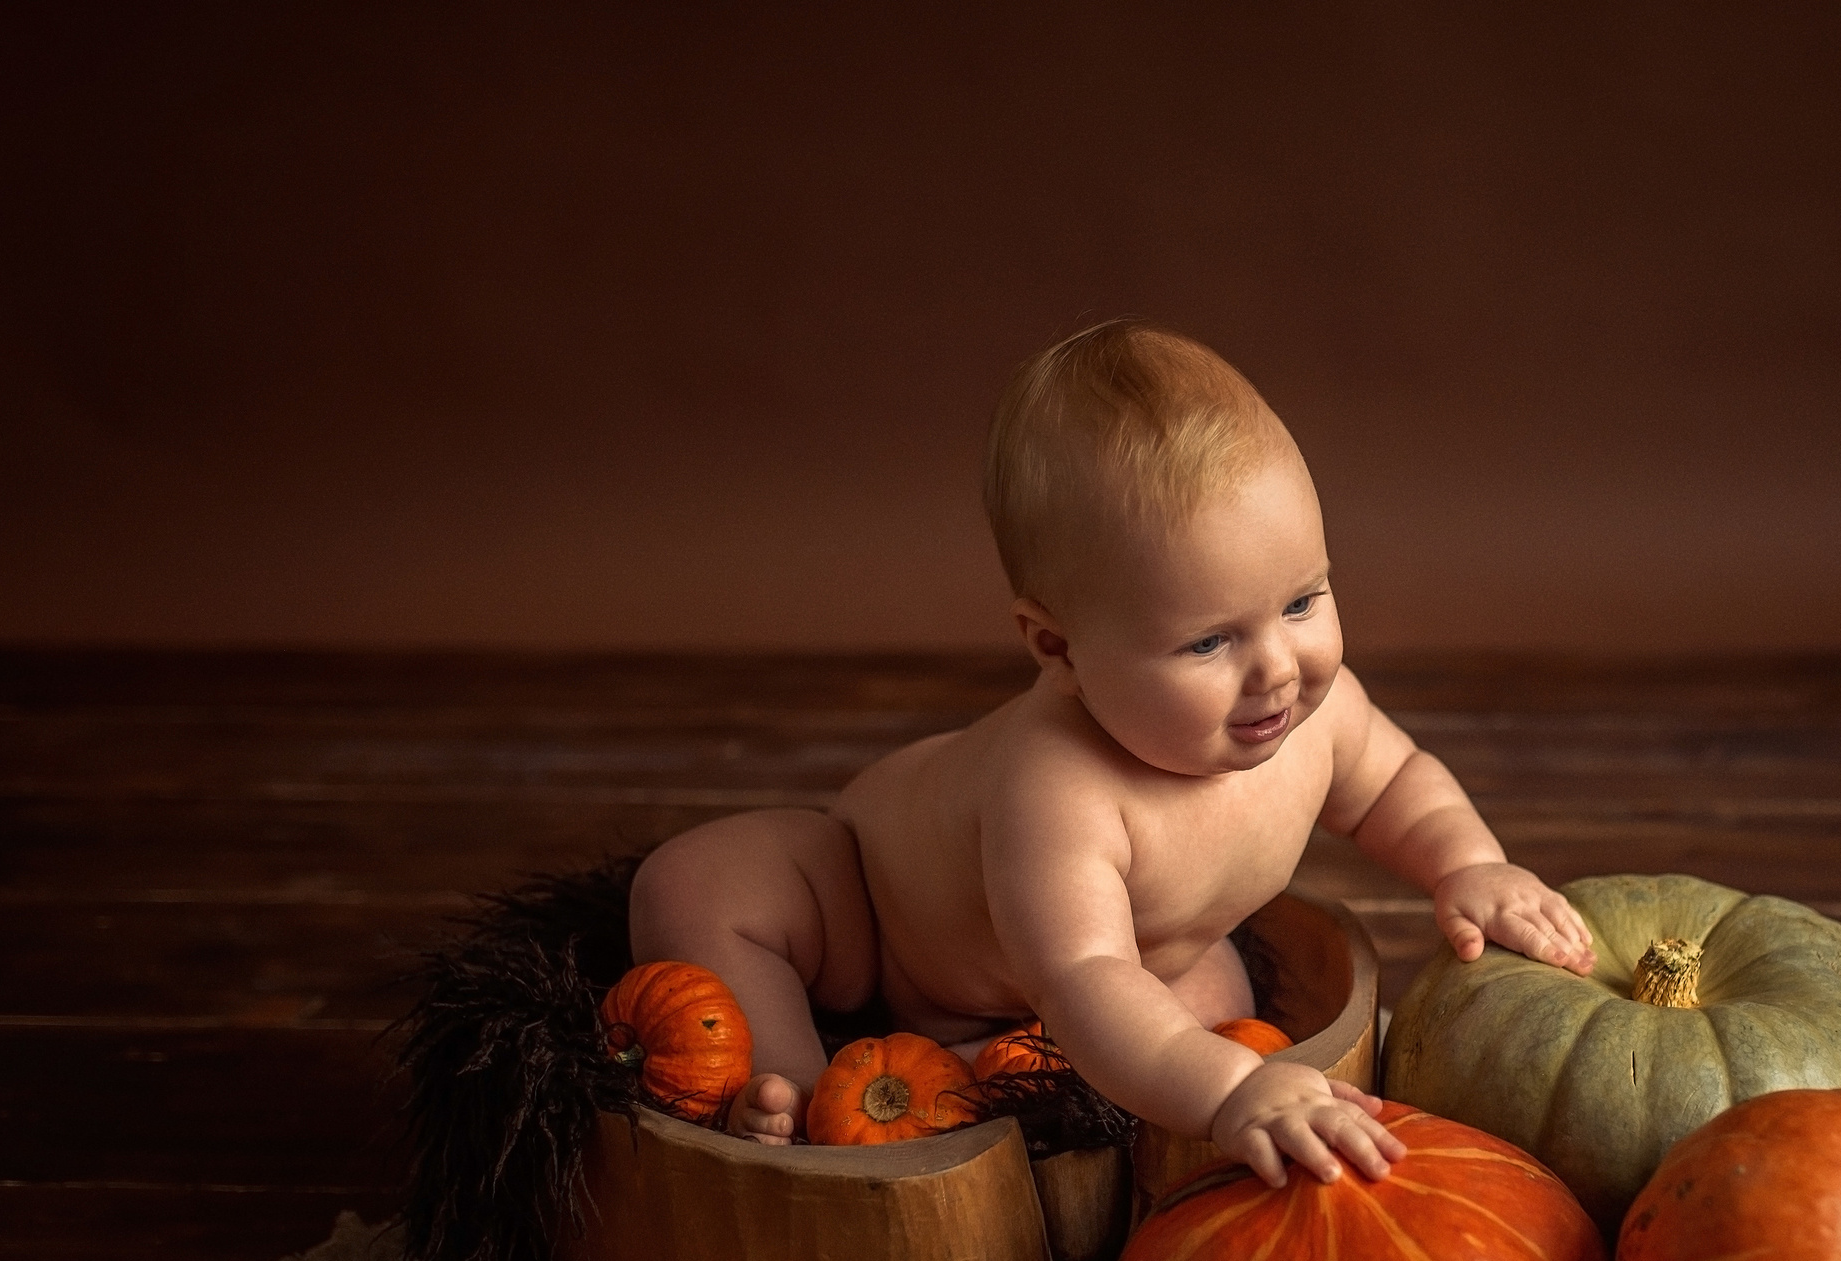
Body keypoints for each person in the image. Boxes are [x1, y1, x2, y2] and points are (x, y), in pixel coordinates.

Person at [630, 320, 1594, 1187]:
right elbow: (1084, 976)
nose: (1278, 671)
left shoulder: (1318, 706)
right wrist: (1225, 1092)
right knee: (697, 883)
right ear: (1058, 651)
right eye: (1208, 642)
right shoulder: (1058, 788)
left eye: (1302, 601)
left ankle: (980, 1084)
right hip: (881, 921)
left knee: (1215, 998)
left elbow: (1394, 783)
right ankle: (796, 1077)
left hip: (1117, 979)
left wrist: (1466, 863)